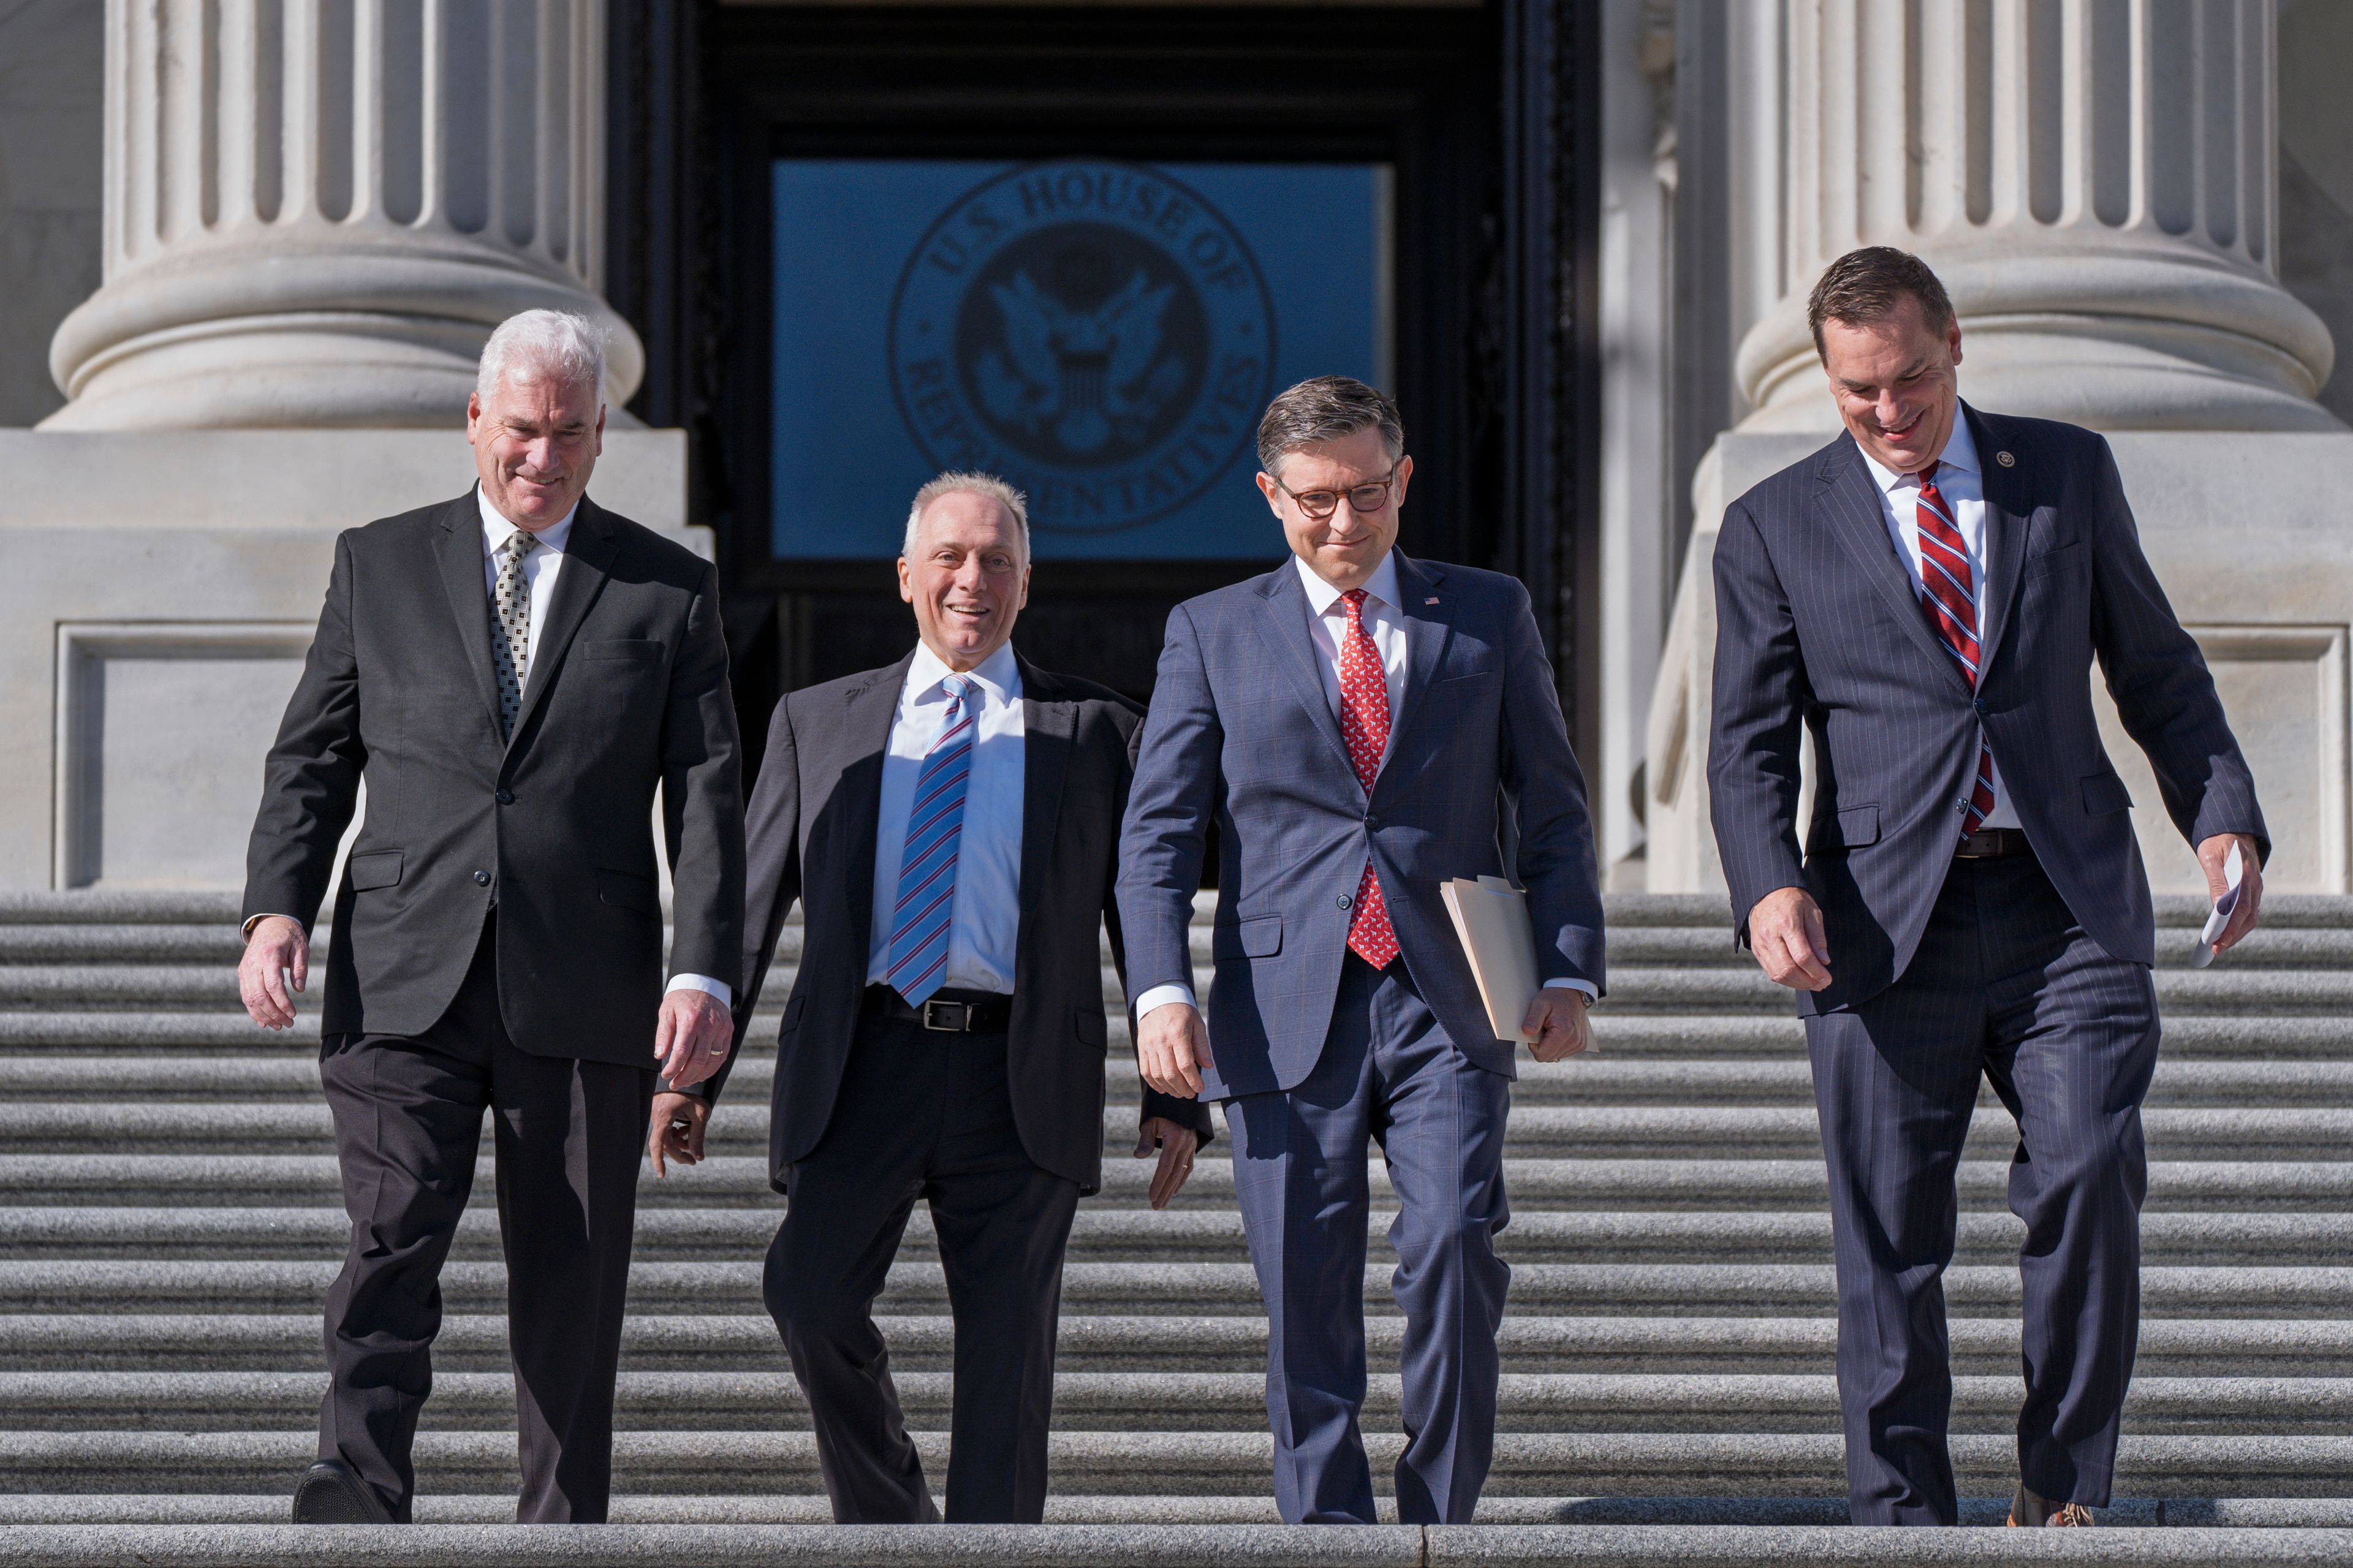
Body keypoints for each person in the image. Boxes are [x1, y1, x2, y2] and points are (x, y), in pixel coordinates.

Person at [1707, 246, 2268, 1528]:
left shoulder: (2061, 473)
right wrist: (1765, 886)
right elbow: (1745, 741)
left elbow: (2157, 667)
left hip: (2063, 904)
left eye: (1910, 378)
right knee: (1889, 1244)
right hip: (1878, 921)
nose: (1890, 412)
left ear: (1956, 342)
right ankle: (1903, 1518)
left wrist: (2223, 819)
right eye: (1859, 394)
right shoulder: (1776, 524)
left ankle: (2060, 1492)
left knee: (2088, 1171)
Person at [236, 309, 745, 1525]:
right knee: (392, 1231)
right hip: (403, 967)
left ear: (600, 434)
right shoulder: (379, 560)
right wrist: (275, 906)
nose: (542, 456)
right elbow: (312, 754)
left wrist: (704, 973)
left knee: (572, 1272)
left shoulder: (667, 590)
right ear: (476, 421)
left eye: (569, 432)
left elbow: (712, 795)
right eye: (522, 428)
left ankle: (561, 1522)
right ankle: (358, 1485)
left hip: (586, 983)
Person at [659, 472, 1213, 1524]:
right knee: (808, 1296)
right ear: (907, 575)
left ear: (1027, 582)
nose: (974, 580)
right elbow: (747, 908)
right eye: (951, 558)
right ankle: (895, 1526)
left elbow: (1142, 911)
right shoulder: (815, 722)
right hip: (864, 1061)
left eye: (998, 560)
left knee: (1006, 1369)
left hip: (1020, 1075)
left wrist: (1176, 1088)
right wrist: (693, 1074)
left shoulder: (1098, 732)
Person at [1116, 376, 1606, 1525]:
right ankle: (1326, 1534)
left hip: (1453, 989)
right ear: (1270, 497)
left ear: (1404, 479)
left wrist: (1569, 964)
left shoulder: (1486, 612)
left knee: (1454, 1247)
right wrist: (1156, 993)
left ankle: (1441, 1520)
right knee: (1305, 1286)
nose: (1346, 523)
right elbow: (1158, 835)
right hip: (1281, 997)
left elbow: (1554, 805)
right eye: (1318, 501)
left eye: (1369, 494)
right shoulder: (1212, 630)